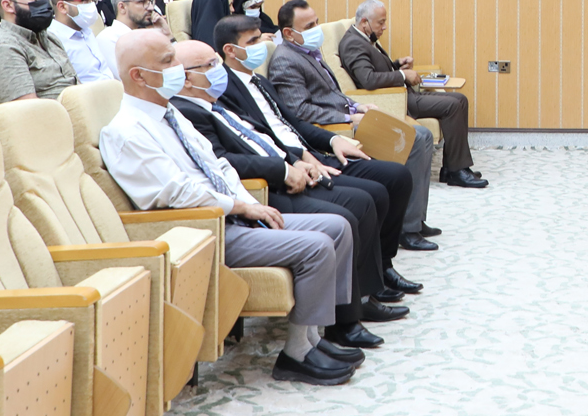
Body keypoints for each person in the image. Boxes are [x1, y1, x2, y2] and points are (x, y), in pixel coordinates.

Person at [97, 27, 361, 385]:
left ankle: (313, 337)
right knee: (315, 246)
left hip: (232, 214)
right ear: (139, 76)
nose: (178, 69)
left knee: (338, 227)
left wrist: (251, 204)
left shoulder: (170, 113)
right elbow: (178, 193)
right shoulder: (126, 131)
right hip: (202, 230)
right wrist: (241, 208)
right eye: (168, 61)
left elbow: (218, 165)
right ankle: (296, 354)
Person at [170, 39, 410, 343]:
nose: (220, 71)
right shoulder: (188, 111)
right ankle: (344, 320)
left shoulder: (218, 102)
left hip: (290, 166)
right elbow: (226, 162)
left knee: (374, 192)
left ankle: (363, 296)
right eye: (211, 65)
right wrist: (285, 169)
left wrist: (297, 160)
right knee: (354, 209)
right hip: (263, 190)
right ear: (187, 78)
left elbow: (270, 134)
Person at [212, 14, 424, 289]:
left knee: (397, 177)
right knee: (370, 196)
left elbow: (294, 123)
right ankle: (369, 285)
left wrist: (333, 140)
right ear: (230, 50)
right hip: (292, 165)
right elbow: (260, 140)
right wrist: (300, 159)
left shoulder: (260, 81)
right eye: (252, 42)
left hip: (311, 151)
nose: (261, 46)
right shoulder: (225, 90)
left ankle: (384, 265)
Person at [268, 0, 441, 249]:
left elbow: (333, 94)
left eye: (317, 22)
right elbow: (300, 111)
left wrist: (358, 106)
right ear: (288, 33)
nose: (317, 29)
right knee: (416, 137)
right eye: (309, 26)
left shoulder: (309, 52)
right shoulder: (285, 60)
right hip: (336, 128)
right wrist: (349, 117)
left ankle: (415, 219)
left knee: (423, 136)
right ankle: (407, 228)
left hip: (350, 116)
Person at [342, 0, 485, 188]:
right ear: (364, 22)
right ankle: (456, 172)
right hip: (397, 100)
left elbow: (375, 69)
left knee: (460, 99)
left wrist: (397, 64)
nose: (384, 27)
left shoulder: (364, 38)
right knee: (452, 106)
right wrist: (403, 75)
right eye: (381, 23)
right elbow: (368, 79)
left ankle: (452, 168)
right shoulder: (353, 43)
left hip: (403, 94)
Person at [47, 0, 117, 82]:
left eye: (93, 0)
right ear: (62, 7)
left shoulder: (87, 31)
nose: (92, 6)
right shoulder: (52, 40)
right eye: (85, 1)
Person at [96, 0, 162, 75]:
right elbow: (129, 80)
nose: (151, 8)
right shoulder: (108, 38)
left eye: (150, 2)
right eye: (142, 2)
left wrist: (167, 35)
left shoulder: (144, 36)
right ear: (122, 7)